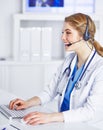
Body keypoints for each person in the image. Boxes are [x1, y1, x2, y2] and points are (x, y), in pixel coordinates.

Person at [9, 13, 103, 125]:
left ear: (85, 35)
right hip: (64, 124)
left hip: (86, 127)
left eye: (68, 33)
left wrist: (49, 117)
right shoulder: (69, 60)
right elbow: (50, 92)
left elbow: (89, 112)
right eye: (63, 33)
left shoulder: (99, 68)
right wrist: (27, 103)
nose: (62, 37)